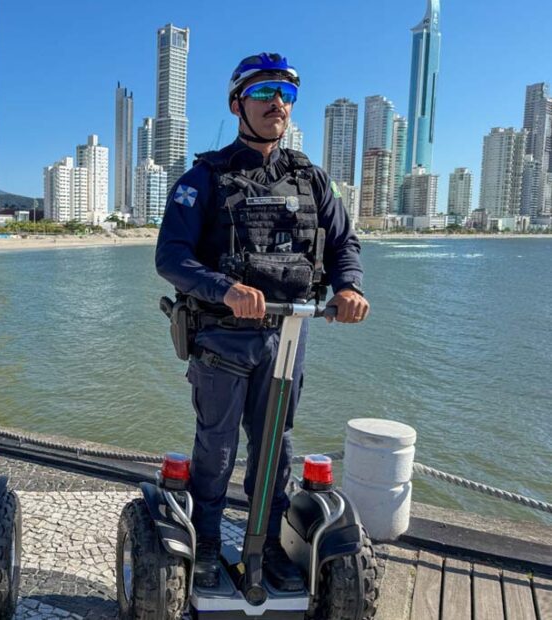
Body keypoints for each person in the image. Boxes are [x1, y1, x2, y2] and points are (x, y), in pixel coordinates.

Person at [155, 53, 369, 590]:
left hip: (287, 338)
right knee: (217, 447)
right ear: (236, 104)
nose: (278, 103)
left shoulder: (313, 180)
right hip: (222, 340)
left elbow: (344, 243)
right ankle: (205, 542)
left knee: (277, 448)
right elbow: (171, 258)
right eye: (264, 92)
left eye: (287, 95)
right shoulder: (202, 179)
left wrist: (349, 288)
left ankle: (268, 544)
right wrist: (224, 290)